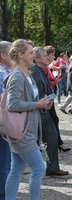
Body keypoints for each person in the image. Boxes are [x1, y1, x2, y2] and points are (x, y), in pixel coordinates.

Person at [4, 39, 49, 199]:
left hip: (25, 130)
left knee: (16, 169)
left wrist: (42, 104)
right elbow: (13, 104)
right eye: (30, 53)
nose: (33, 56)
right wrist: (37, 104)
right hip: (22, 132)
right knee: (39, 168)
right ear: (21, 55)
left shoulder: (26, 74)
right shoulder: (17, 77)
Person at [30, 47, 69, 176]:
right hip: (39, 112)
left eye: (47, 55)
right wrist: (45, 101)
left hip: (45, 111)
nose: (48, 58)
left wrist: (50, 98)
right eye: (44, 56)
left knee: (52, 139)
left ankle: (51, 167)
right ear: (36, 58)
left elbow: (46, 88)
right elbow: (34, 93)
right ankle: (42, 168)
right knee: (43, 140)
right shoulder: (34, 71)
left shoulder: (41, 70)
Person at [0, 41, 12, 200]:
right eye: (11, 52)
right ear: (3, 55)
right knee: (4, 164)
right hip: (3, 124)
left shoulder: (8, 71)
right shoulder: (2, 73)